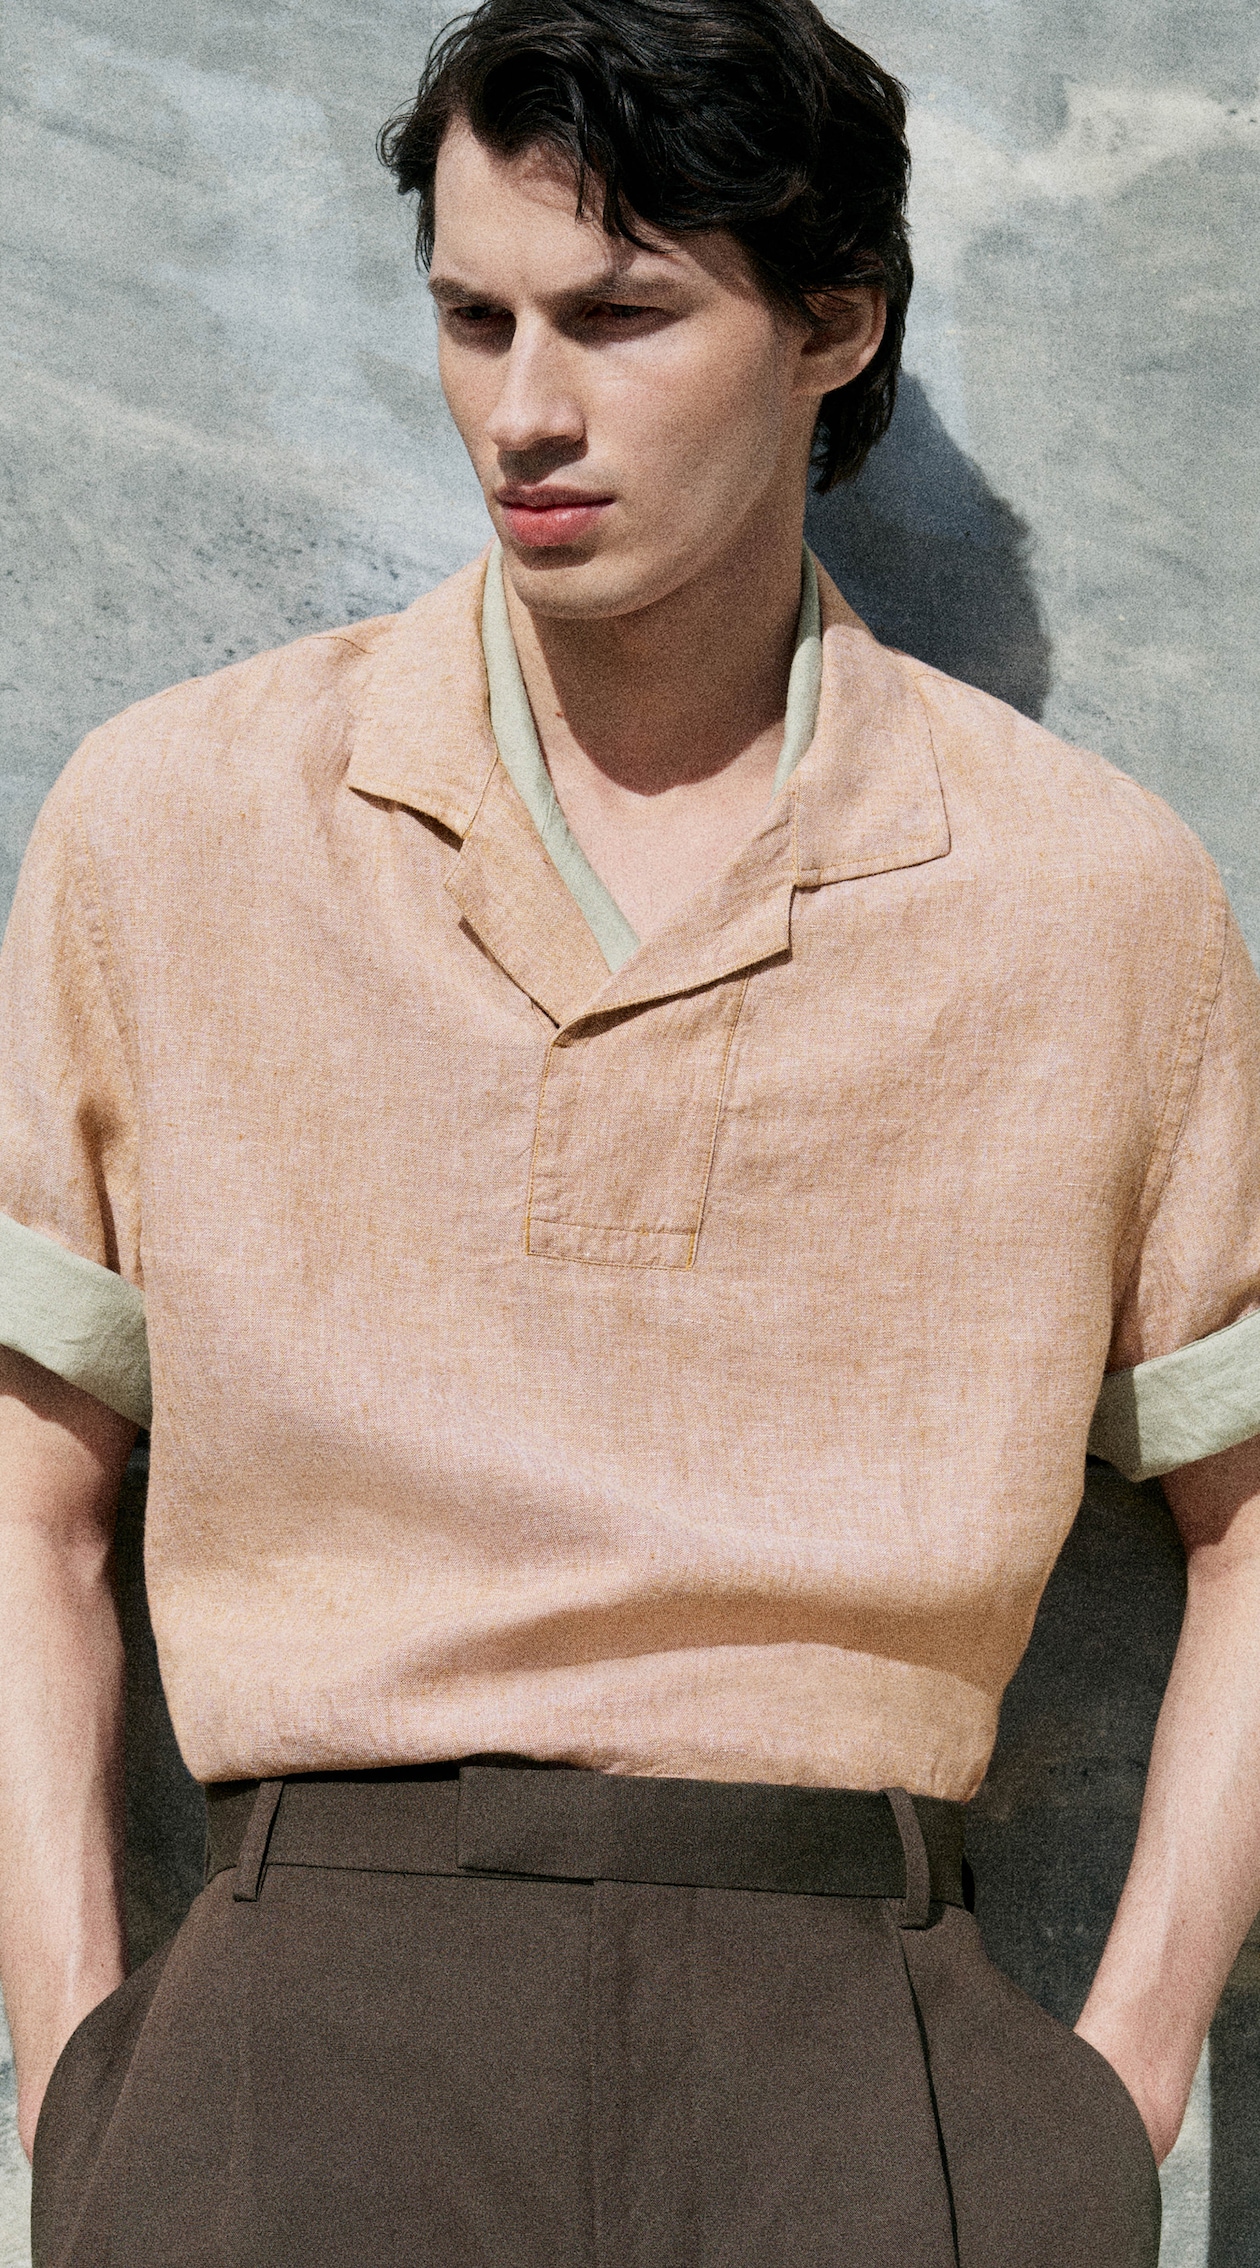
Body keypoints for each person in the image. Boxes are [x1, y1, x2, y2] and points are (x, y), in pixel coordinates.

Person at [2, 0, 1259, 2260]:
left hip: (862, 2062)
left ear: (831, 327)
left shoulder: (1088, 897)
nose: (526, 410)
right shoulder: (175, 823)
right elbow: (26, 1502)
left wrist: (1117, 2093)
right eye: (473, 320)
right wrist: (89, 2062)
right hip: (294, 2047)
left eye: (621, 315)